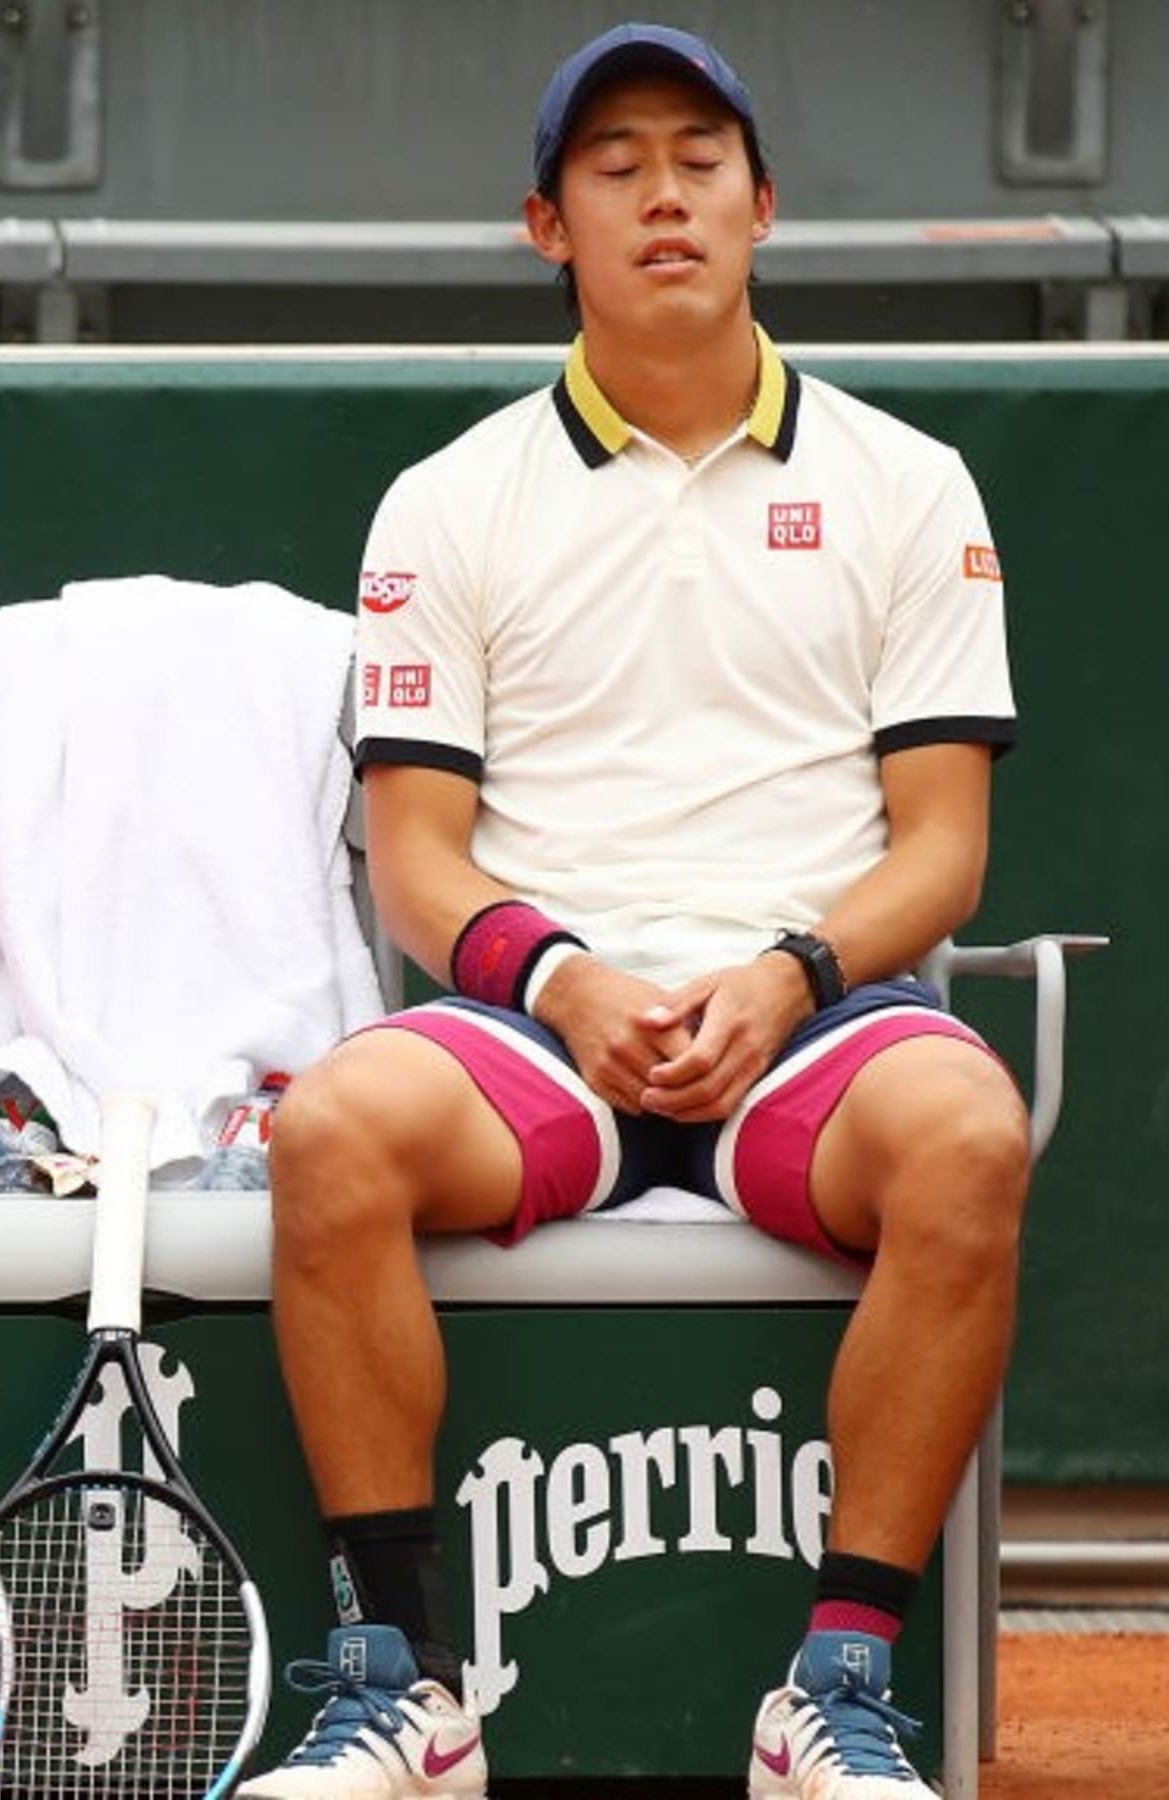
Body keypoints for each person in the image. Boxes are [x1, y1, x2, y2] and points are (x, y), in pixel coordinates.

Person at [236, 22, 1025, 1800]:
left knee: (971, 1134)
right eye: (614, 167)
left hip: (813, 1020)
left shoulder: (912, 487)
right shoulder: (446, 502)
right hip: (541, 1027)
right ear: (547, 226)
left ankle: (835, 1695)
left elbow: (942, 850)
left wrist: (792, 967)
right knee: (333, 1132)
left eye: (697, 159)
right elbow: (421, 856)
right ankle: (399, 1689)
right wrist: (572, 980)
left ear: (765, 208)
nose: (662, 195)